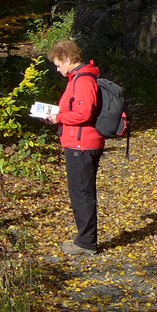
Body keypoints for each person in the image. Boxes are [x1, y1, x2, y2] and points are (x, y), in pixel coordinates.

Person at [45, 37, 104, 255]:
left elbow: (83, 113)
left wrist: (59, 117)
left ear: (68, 59)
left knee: (82, 192)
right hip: (78, 142)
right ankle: (85, 239)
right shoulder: (77, 78)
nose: (58, 69)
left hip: (82, 144)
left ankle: (86, 242)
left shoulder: (83, 80)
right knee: (80, 191)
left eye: (59, 64)